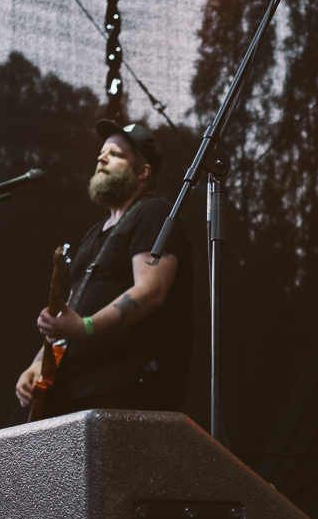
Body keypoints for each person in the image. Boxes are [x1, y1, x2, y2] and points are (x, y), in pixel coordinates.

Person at [14, 120, 194, 417]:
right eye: (101, 153)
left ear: (143, 172)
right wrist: (39, 363)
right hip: (73, 388)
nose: (101, 158)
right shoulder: (96, 232)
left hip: (121, 388)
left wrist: (86, 327)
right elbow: (73, 310)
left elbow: (151, 291)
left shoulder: (153, 213)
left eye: (115, 154)